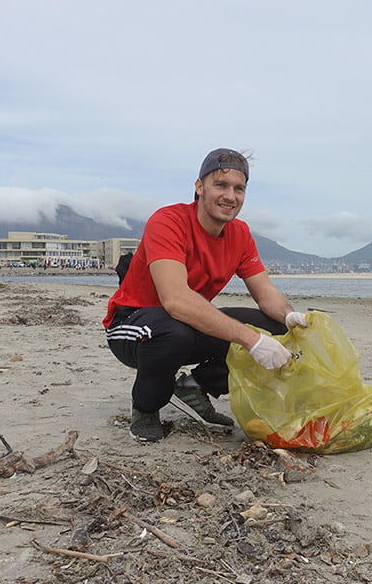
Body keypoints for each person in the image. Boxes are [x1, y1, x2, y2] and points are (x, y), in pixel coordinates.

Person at [103, 148, 309, 442]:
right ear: (199, 187)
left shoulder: (240, 233)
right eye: (221, 185)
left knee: (274, 327)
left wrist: (290, 317)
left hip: (186, 323)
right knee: (175, 332)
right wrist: (251, 341)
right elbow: (175, 300)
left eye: (239, 188)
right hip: (132, 324)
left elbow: (266, 295)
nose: (230, 196)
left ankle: (196, 386)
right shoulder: (168, 221)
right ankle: (146, 408)